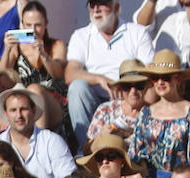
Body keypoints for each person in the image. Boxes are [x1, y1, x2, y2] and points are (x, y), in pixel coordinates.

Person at [65, 0, 155, 142]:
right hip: (95, 100)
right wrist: (100, 79)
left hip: (129, 96)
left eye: (102, 4)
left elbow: (151, 72)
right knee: (77, 88)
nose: (96, 9)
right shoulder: (81, 35)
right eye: (92, 5)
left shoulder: (137, 32)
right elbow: (70, 73)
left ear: (116, 7)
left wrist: (128, 89)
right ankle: (87, 148)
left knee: (149, 90)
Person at [127, 48, 190, 178]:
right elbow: (136, 155)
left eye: (166, 78)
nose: (160, 82)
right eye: (155, 78)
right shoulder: (145, 113)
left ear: (178, 79)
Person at [0, 1, 68, 135]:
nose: (33, 30)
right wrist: (7, 50)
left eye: (38, 25)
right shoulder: (16, 48)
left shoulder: (56, 45)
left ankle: (40, 142)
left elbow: (58, 74)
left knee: (34, 89)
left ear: (46, 24)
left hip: (53, 104)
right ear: (22, 24)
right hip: (23, 105)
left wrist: (43, 55)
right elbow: (1, 76)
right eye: (28, 25)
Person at [134, 0, 190, 113]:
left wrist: (189, 5)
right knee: (149, 66)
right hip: (162, 63)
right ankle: (145, 118)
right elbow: (140, 26)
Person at [0, 85, 74, 178]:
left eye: (23, 109)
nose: (19, 115)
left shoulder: (52, 141)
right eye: (13, 110)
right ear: (6, 114)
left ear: (33, 111)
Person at [86, 59, 148, 142]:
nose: (133, 91)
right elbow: (87, 148)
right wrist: (100, 136)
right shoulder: (106, 109)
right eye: (127, 86)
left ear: (146, 87)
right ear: (120, 88)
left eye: (139, 86)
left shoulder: (154, 115)